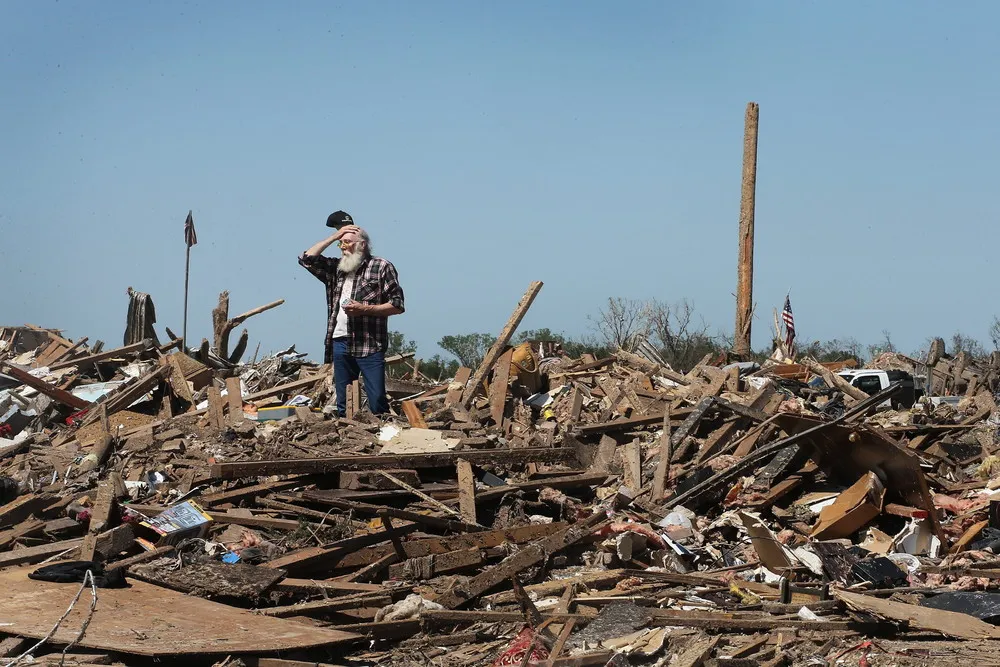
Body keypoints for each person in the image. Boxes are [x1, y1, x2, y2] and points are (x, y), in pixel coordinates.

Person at [299, 214, 404, 416]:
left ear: (362, 245)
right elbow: (306, 259)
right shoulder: (336, 269)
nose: (342, 246)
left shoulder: (381, 267)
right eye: (340, 243)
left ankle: (381, 433)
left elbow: (397, 305)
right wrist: (335, 236)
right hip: (340, 341)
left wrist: (365, 309)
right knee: (344, 400)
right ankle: (347, 437)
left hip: (369, 343)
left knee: (377, 399)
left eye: (347, 242)